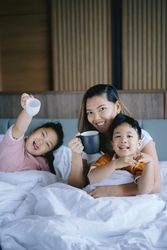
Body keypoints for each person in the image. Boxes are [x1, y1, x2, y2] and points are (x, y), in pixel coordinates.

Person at [68, 84, 162, 197]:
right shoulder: (87, 140)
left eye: (102, 109)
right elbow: (76, 186)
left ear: (117, 106)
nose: (96, 118)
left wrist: (114, 190)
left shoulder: (139, 136)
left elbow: (156, 185)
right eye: (90, 112)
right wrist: (76, 155)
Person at [87, 113, 154, 195]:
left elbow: (144, 190)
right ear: (112, 143)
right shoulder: (107, 159)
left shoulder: (138, 162)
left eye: (129, 136)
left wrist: (149, 163)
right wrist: (115, 164)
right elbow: (92, 178)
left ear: (139, 144)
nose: (123, 140)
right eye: (118, 136)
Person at [0, 93, 64, 173]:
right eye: (43, 134)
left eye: (48, 144)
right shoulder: (14, 142)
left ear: (45, 153)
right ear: (34, 131)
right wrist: (28, 110)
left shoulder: (43, 164)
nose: (41, 142)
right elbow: (19, 128)